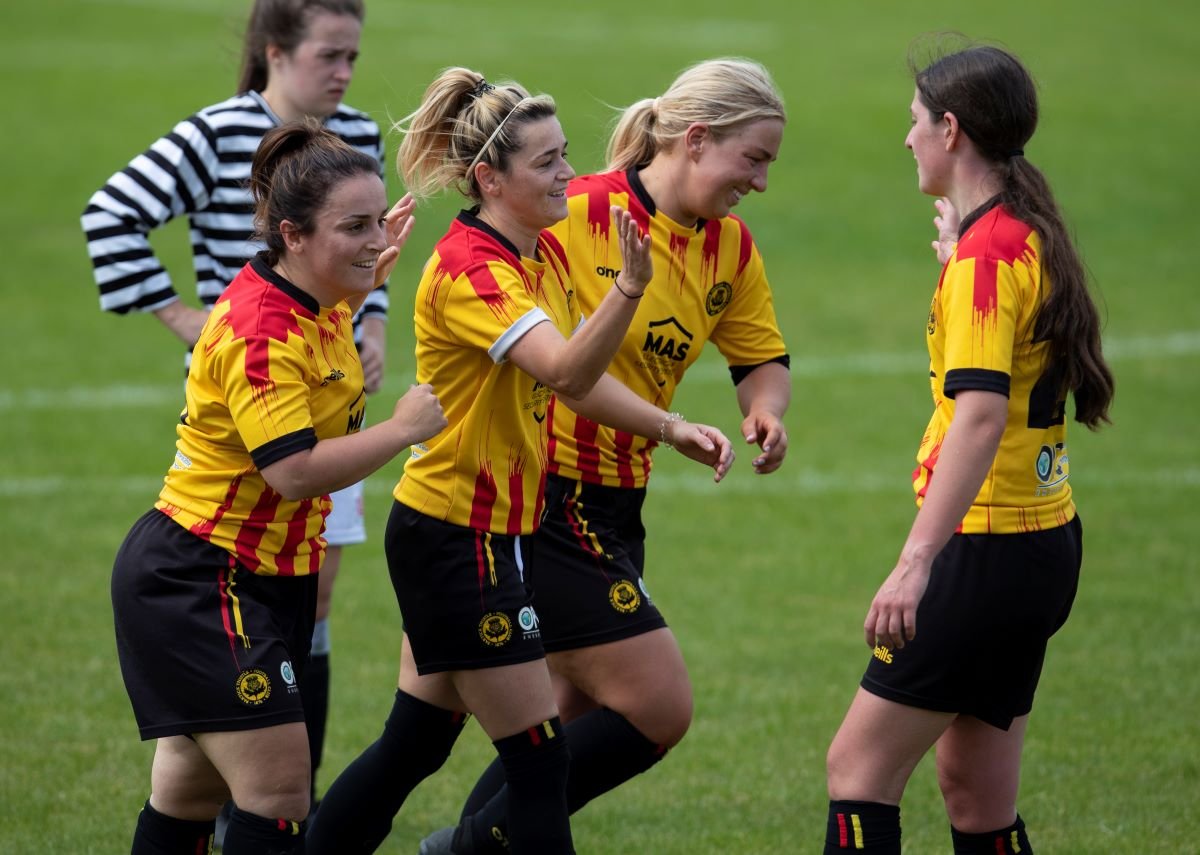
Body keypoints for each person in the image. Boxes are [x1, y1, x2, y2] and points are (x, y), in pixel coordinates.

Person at [305, 68, 736, 855]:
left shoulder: (530, 253)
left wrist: (667, 426)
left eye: (566, 155)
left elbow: (579, 382)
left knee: (416, 745)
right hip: (455, 536)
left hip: (484, 532)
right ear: (488, 179)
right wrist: (629, 290)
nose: (569, 173)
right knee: (538, 765)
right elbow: (567, 371)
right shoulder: (477, 269)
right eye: (547, 162)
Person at [418, 57, 792, 855]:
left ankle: (463, 846)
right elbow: (557, 369)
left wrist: (764, 410)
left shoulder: (728, 248)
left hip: (620, 504)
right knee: (658, 706)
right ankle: (457, 848)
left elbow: (760, 354)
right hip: (551, 496)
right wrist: (668, 423)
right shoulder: (576, 213)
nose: (760, 181)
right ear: (696, 140)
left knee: (555, 729)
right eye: (752, 159)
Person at [110, 119, 446, 855]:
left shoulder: (319, 295)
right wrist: (401, 428)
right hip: (204, 575)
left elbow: (324, 337)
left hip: (268, 574)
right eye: (353, 226)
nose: (374, 239)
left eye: (379, 220)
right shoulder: (261, 328)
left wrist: (366, 264)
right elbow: (291, 472)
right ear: (292, 234)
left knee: (190, 794)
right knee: (280, 791)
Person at [81, 0, 382, 805]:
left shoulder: (353, 139)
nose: (345, 73)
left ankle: (270, 784)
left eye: (354, 55)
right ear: (276, 52)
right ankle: (277, 789)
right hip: (256, 387)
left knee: (306, 588)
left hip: (332, 391)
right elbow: (109, 215)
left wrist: (372, 320)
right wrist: (182, 312)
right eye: (330, 55)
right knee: (260, 560)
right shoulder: (215, 134)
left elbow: (358, 264)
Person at [821, 41, 1115, 854]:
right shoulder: (1020, 234)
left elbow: (982, 416)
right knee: (978, 796)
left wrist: (916, 562)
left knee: (857, 770)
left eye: (915, 123)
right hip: (1043, 544)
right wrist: (957, 260)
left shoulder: (987, 257)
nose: (905, 138)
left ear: (951, 130)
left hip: (984, 552)